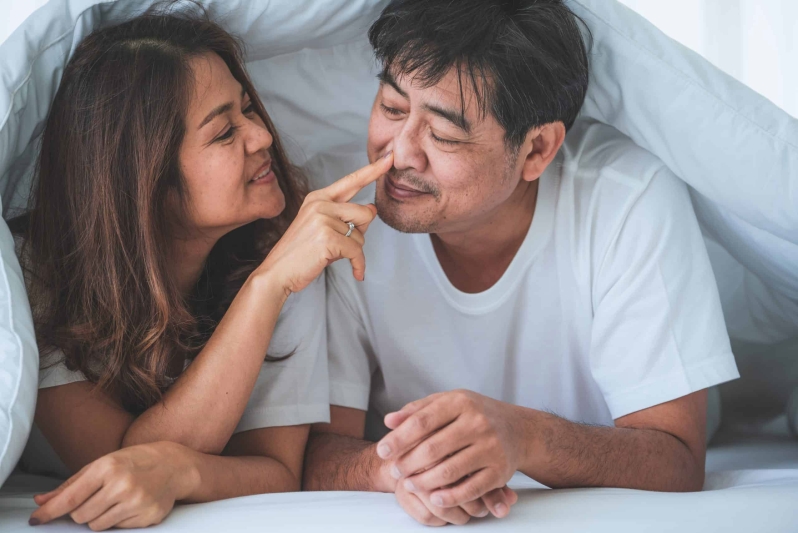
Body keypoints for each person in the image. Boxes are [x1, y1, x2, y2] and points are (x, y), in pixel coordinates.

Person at [303, 0, 740, 526]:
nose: (399, 154)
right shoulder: (338, 206)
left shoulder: (627, 196)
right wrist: (409, 471)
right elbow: (315, 450)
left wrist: (524, 437)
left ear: (537, 150)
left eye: (444, 135)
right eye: (393, 108)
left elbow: (679, 456)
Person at [11, 5, 391, 530]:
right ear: (146, 177)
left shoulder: (281, 254)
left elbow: (277, 469)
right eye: (224, 132)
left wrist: (184, 472)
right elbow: (120, 465)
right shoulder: (36, 269)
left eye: (248, 110)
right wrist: (266, 288)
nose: (262, 136)